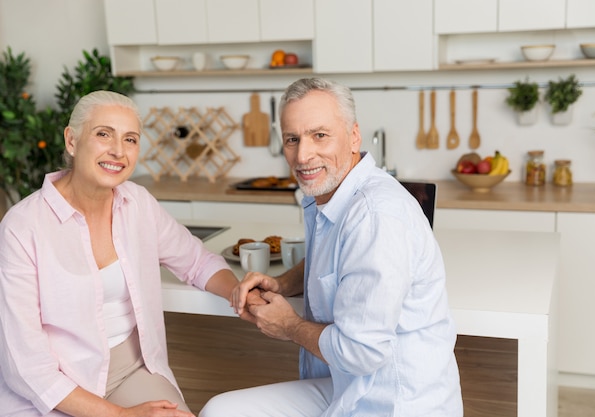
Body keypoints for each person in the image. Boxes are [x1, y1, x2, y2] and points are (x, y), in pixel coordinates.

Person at [200, 78, 463, 416]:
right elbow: (331, 256)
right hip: (348, 389)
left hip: (394, 402)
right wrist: (282, 283)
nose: (303, 154)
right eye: (292, 139)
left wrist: (290, 326)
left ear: (354, 136)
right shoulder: (330, 194)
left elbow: (361, 352)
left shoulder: (375, 215)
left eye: (319, 135)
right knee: (219, 411)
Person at [0, 91, 241, 416]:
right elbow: (27, 367)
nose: (118, 151)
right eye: (103, 134)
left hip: (131, 369)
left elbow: (196, 261)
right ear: (72, 140)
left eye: (130, 139)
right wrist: (124, 416)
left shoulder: (137, 203)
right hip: (54, 388)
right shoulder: (21, 227)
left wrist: (239, 292)